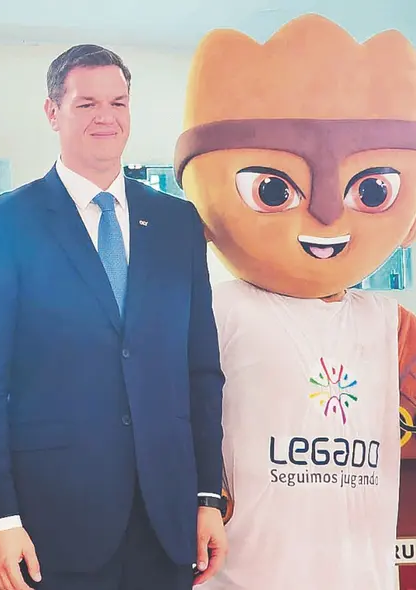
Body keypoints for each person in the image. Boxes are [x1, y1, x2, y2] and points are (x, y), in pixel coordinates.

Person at [0, 44, 227, 590]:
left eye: (118, 103)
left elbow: (200, 370)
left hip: (166, 518)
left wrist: (207, 497)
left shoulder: (176, 223)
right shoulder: (4, 223)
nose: (106, 117)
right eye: (87, 104)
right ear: (52, 112)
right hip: (52, 521)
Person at [174, 14, 416, 590]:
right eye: (272, 189)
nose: (327, 214)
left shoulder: (390, 325)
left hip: (362, 575)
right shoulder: (213, 311)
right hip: (242, 574)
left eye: (372, 190)